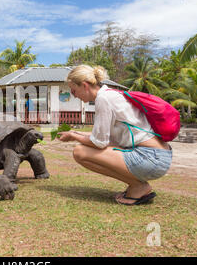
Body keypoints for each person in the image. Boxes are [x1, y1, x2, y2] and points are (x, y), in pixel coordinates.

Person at [58, 64, 172, 205]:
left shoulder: (103, 99)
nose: (74, 95)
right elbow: (104, 139)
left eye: (74, 91)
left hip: (150, 157)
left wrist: (74, 136)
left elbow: (99, 143)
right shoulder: (111, 94)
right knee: (83, 149)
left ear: (85, 85)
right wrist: (72, 133)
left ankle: (138, 186)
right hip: (158, 156)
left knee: (79, 152)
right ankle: (137, 185)